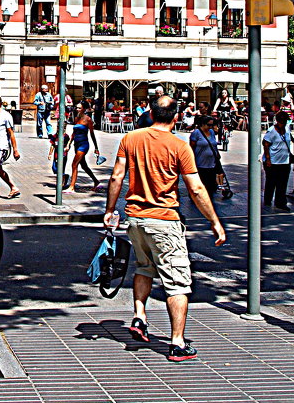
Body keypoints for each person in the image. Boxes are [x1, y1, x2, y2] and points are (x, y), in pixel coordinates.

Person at [105, 96, 226, 362]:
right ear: (176, 116)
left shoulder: (130, 139)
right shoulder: (180, 146)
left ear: (150, 112)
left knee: (144, 267)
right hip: (164, 220)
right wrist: (215, 221)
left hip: (135, 218)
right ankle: (177, 342)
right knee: (178, 283)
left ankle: (139, 315)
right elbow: (195, 188)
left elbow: (116, 176)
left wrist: (109, 209)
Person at [64, 102, 100, 194]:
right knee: (83, 166)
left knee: (74, 164)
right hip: (76, 144)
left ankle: (72, 187)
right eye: (77, 107)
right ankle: (96, 181)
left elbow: (92, 134)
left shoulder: (88, 120)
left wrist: (96, 147)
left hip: (83, 145)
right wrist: (68, 144)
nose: (77, 109)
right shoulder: (76, 118)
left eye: (79, 108)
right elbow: (73, 133)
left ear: (84, 109)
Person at [262, 111, 293, 211]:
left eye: (284, 122)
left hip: (285, 161)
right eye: (281, 121)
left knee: (282, 183)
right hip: (273, 161)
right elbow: (265, 144)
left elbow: (289, 137)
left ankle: (280, 202)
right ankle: (268, 200)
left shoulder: (287, 129)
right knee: (271, 182)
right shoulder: (271, 131)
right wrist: (268, 159)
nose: (282, 124)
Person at [189, 116, 225, 202]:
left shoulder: (211, 132)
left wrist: (217, 155)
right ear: (203, 124)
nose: (211, 127)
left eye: (212, 125)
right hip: (200, 163)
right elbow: (191, 147)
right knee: (201, 182)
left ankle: (209, 199)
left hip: (212, 162)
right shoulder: (196, 133)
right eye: (209, 125)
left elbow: (213, 145)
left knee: (211, 184)